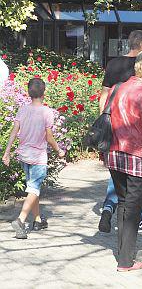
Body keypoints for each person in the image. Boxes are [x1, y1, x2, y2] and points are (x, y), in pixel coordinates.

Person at [102, 49, 142, 272]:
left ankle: (123, 254)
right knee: (133, 208)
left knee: (122, 203)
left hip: (115, 154)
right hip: (138, 156)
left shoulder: (118, 89)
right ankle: (126, 261)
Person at [98, 30, 142, 234]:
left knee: (117, 172)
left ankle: (108, 208)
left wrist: (103, 121)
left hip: (114, 126)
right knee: (139, 178)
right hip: (138, 134)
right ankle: (139, 218)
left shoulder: (114, 64)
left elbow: (104, 95)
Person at [3, 78, 65, 239]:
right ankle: (21, 220)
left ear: (29, 93)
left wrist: (7, 152)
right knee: (34, 188)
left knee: (32, 188)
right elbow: (49, 136)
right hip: (38, 157)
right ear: (43, 92)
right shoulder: (46, 112)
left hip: (24, 155)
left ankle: (37, 220)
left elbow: (14, 131)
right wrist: (58, 150)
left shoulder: (22, 110)